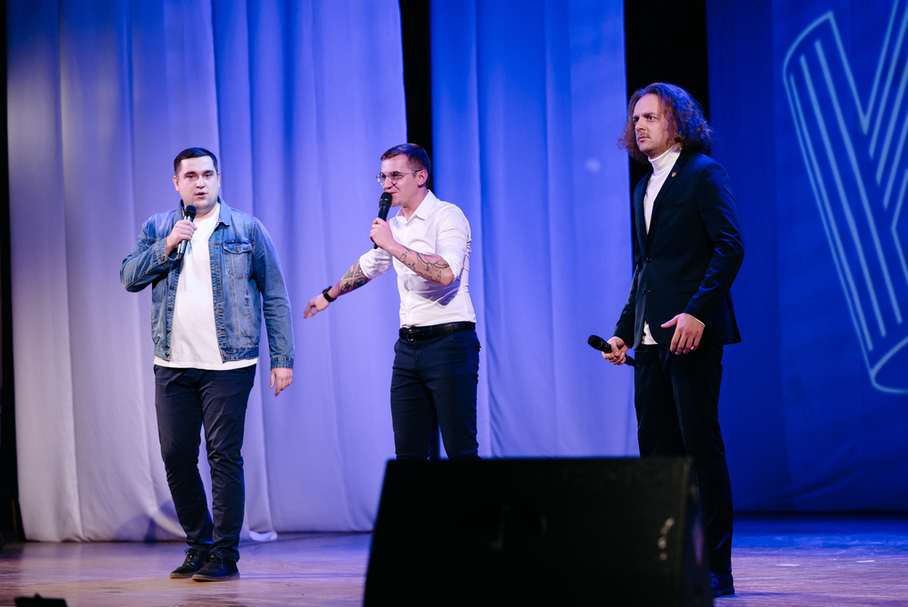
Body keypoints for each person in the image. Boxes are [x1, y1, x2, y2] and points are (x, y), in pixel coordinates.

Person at [120, 147, 294, 582]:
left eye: (208, 174)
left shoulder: (246, 228)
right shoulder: (158, 227)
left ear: (218, 179)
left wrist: (282, 358)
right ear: (176, 183)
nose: (200, 182)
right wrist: (167, 245)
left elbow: (274, 294)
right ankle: (199, 546)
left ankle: (225, 555)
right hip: (172, 363)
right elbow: (128, 277)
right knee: (176, 455)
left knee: (223, 456)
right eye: (191, 176)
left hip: (229, 365)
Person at [602, 83, 744, 598]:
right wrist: (624, 331)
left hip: (690, 336)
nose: (638, 125)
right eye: (635, 118)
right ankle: (668, 560)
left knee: (700, 449)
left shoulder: (703, 173)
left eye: (650, 117)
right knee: (657, 454)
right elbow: (646, 269)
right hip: (648, 342)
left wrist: (698, 313)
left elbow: (730, 246)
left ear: (677, 123)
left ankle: (716, 567)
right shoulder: (643, 186)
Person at [304, 143, 480, 460]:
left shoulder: (447, 215)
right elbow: (369, 266)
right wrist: (329, 294)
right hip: (409, 349)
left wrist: (392, 244)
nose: (387, 185)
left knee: (460, 452)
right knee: (408, 455)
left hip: (450, 343)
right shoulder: (395, 224)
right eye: (382, 177)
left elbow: (446, 273)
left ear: (421, 176)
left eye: (395, 176)